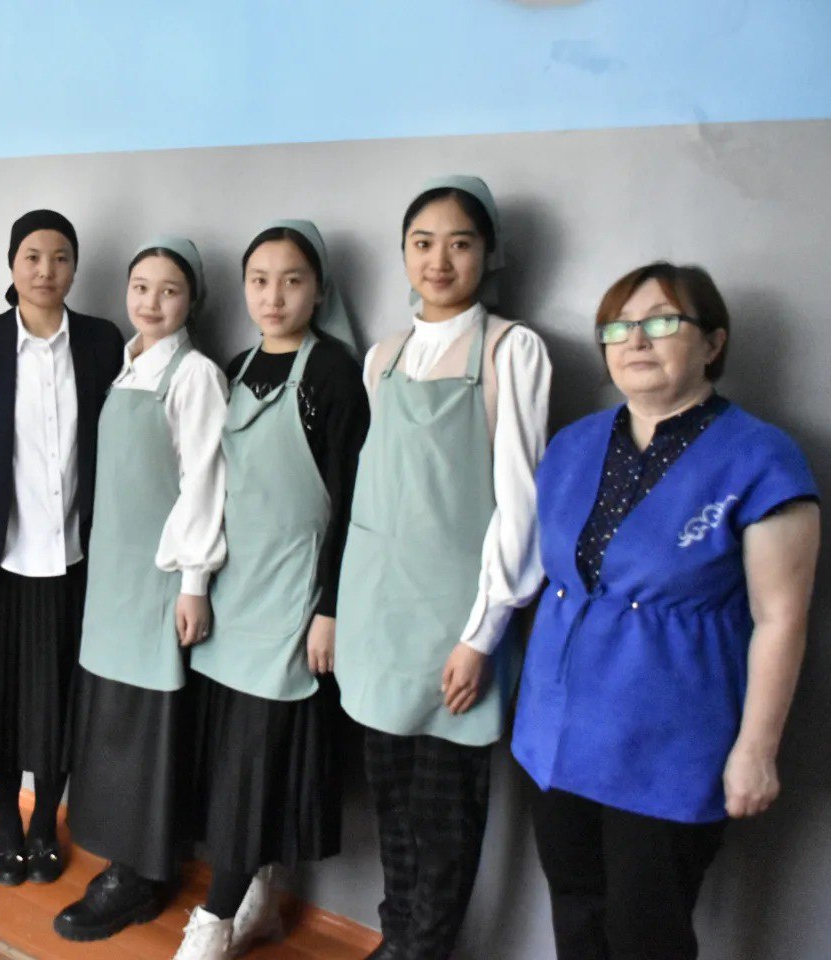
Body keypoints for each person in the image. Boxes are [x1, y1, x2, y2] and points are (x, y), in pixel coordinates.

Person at [513, 262, 821, 960]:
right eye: (618, 327)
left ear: (712, 342)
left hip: (668, 742)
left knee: (646, 933)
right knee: (576, 911)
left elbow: (782, 619)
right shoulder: (573, 445)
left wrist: (757, 751)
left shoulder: (762, 459)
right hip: (555, 731)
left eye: (660, 321)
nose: (635, 340)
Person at [334, 176, 551, 960]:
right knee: (391, 804)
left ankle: (423, 951)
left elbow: (521, 508)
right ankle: (396, 941)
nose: (439, 259)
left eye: (460, 243)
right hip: (378, 621)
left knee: (446, 816)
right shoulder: (382, 358)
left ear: (488, 255)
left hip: (455, 625)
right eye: (422, 243)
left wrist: (483, 634)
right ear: (404, 254)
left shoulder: (511, 351)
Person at [176, 220, 368, 959]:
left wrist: (331, 608)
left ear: (319, 290)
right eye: (260, 280)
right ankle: (256, 896)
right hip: (234, 591)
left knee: (256, 763)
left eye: (292, 280)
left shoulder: (334, 374)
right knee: (232, 762)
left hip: (294, 592)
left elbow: (351, 504)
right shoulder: (234, 366)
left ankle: (214, 918)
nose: (274, 296)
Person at [0, 209, 124, 887]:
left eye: (60, 257)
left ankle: (46, 824)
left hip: (74, 562)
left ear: (76, 267)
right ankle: (8, 824)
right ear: (12, 264)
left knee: (59, 705)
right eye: (33, 257)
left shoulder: (101, 341)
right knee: (1, 707)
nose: (46, 270)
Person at [54, 236, 228, 941]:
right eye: (141, 287)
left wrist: (194, 582)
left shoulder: (195, 375)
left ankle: (142, 875)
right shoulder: (126, 368)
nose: (152, 302)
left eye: (169, 290)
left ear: (192, 302)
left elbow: (205, 482)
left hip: (159, 579)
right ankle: (124, 864)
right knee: (111, 719)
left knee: (148, 726)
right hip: (110, 579)